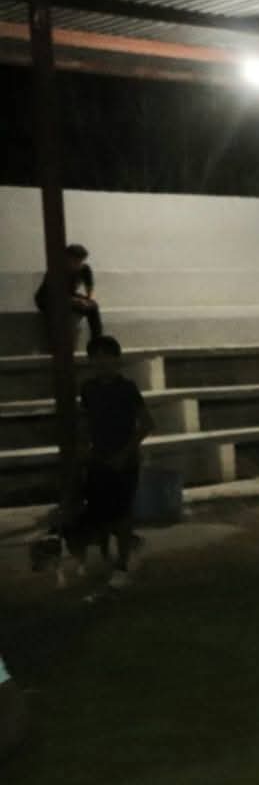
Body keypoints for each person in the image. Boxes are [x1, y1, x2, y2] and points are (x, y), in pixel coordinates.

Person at [70, 335, 153, 589]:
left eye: (107, 356)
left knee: (122, 512)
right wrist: (85, 448)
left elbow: (147, 424)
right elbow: (86, 421)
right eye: (97, 356)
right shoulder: (88, 389)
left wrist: (125, 453)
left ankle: (124, 561)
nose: (102, 362)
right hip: (99, 458)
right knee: (102, 511)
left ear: (117, 360)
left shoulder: (127, 388)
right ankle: (111, 558)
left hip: (124, 460)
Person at [33, 242, 101, 350]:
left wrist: (88, 301)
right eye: (74, 261)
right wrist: (75, 301)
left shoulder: (84, 269)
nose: (77, 264)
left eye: (80, 261)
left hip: (68, 295)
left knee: (94, 307)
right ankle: (54, 347)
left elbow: (89, 287)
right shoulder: (56, 270)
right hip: (47, 298)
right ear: (67, 259)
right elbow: (54, 294)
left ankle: (97, 343)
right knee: (58, 310)